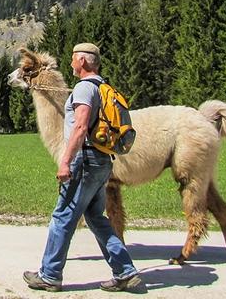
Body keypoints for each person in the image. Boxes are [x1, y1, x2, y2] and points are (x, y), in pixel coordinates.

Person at [23, 43, 141, 292]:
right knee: (96, 217)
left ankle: (50, 275)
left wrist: (66, 161)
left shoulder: (84, 88)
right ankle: (125, 271)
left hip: (84, 161)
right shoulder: (103, 86)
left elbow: (80, 126)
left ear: (84, 62)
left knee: (62, 216)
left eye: (74, 59)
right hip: (101, 162)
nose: (71, 63)